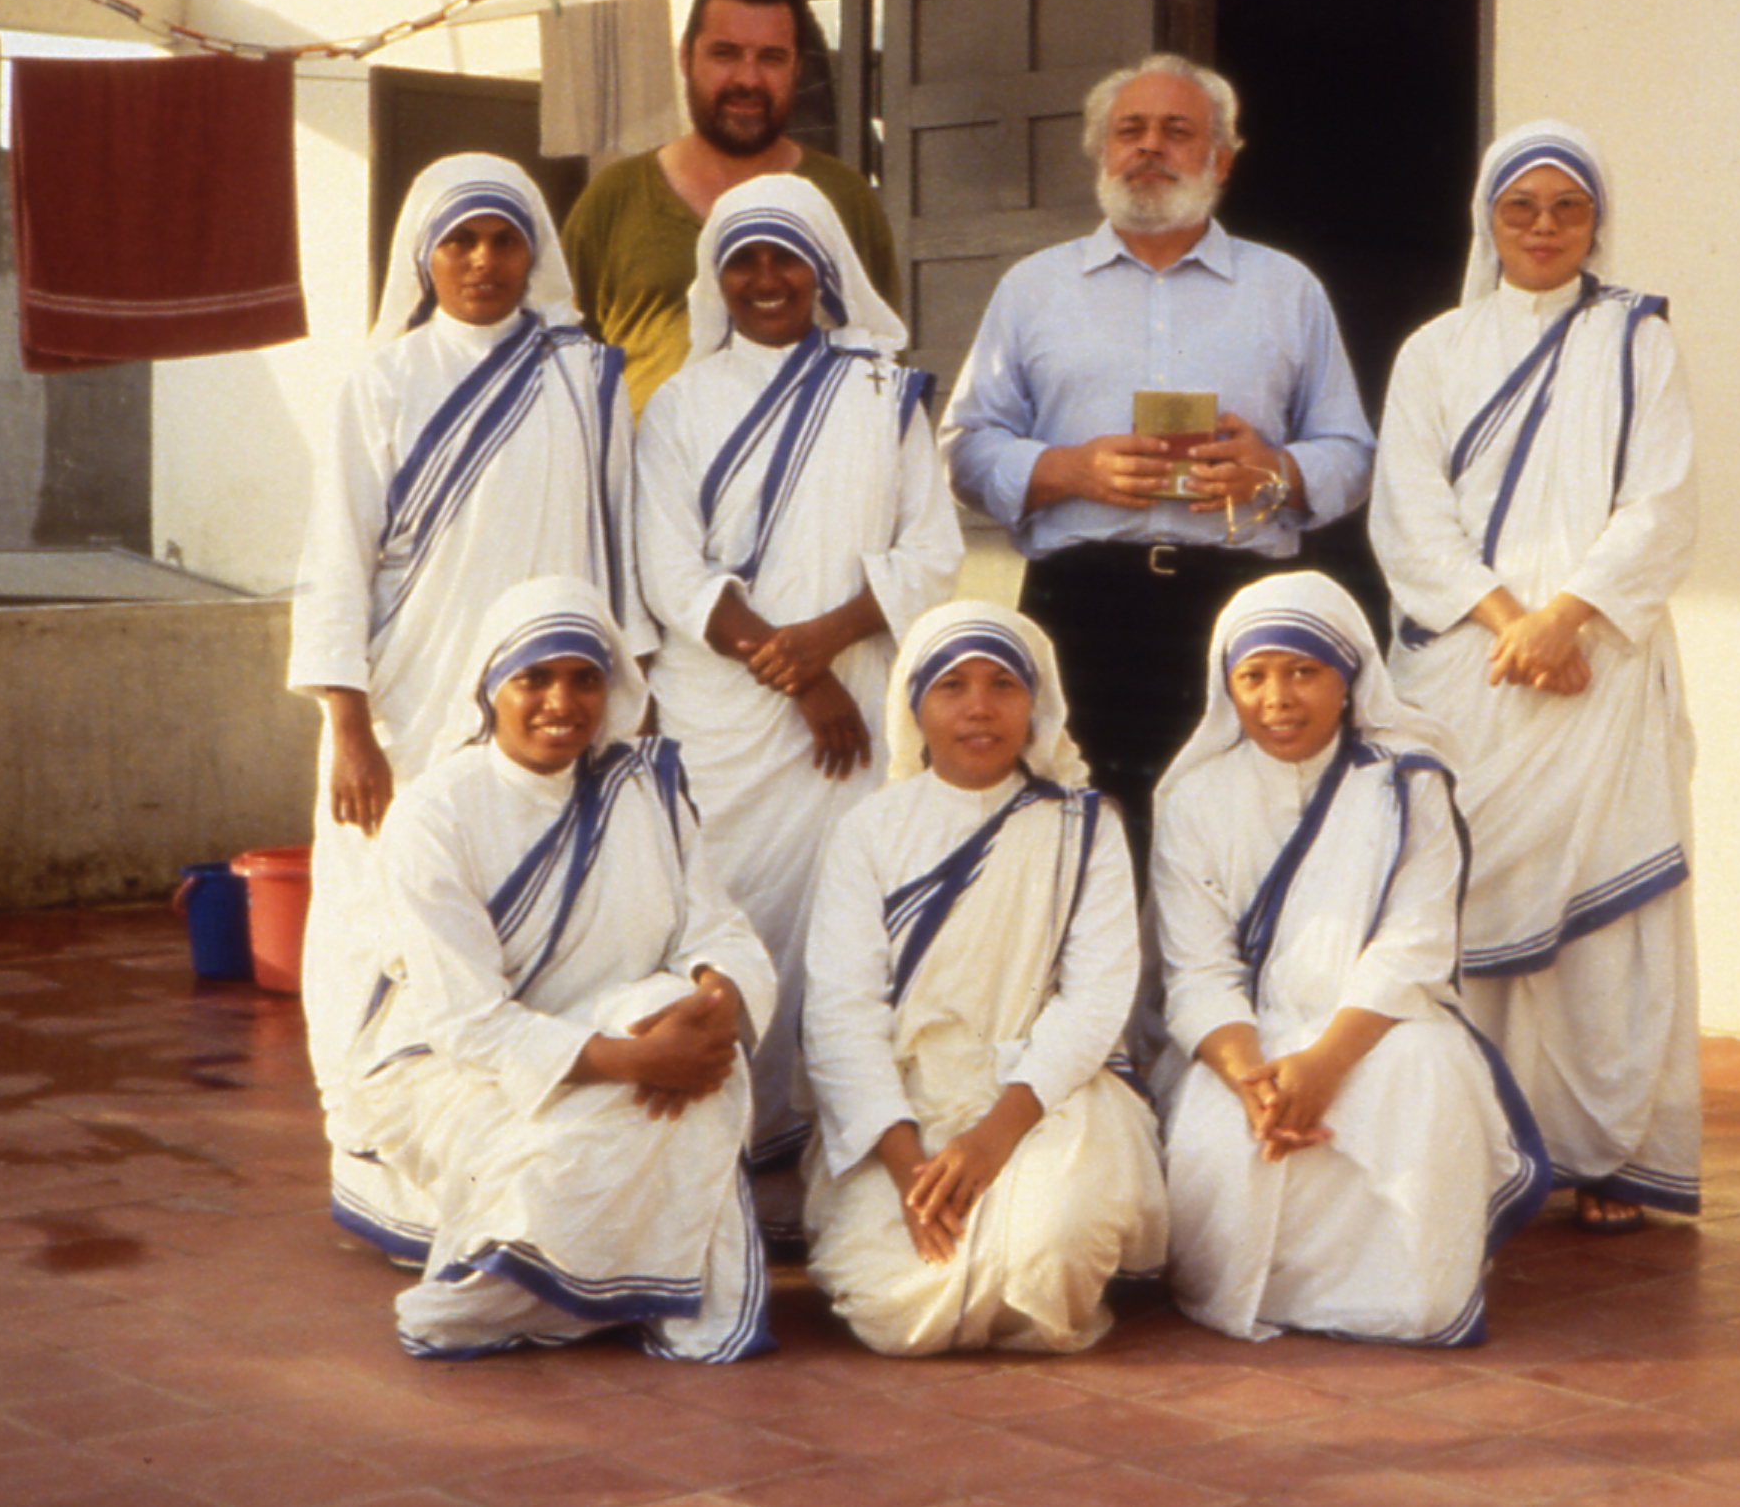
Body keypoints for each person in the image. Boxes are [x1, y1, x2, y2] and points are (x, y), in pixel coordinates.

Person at [286, 151, 649, 1257]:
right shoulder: (382, 382)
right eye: (459, 241)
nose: (483, 260)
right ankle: (384, 1148)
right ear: (424, 256)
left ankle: (512, 1133)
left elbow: (620, 544)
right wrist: (347, 721)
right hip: (406, 703)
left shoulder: (589, 377)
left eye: (502, 238)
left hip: (550, 707)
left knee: (532, 908)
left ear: (534, 249)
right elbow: (337, 561)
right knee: (382, 917)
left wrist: (628, 698)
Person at [1368, 118, 1702, 1231]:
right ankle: (1473, 1138)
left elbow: (1660, 500)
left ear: (1597, 219)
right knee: (1460, 903)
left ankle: (1602, 1153)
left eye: (1568, 207)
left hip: (1598, 668)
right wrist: (1513, 622)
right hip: (1474, 667)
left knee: (1604, 925)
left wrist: (1569, 618)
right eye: (1523, 207)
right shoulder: (1434, 351)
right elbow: (1410, 514)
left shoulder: (1636, 340)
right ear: (1489, 221)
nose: (1546, 227)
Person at [635, 176, 964, 1237]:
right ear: (716, 276)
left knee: (835, 928)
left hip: (852, 714)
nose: (766, 281)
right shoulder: (680, 404)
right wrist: (802, 672)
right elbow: (668, 568)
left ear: (825, 269)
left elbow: (933, 550)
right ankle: (711, 1165)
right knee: (718, 919)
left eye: (786, 259)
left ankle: (818, 1176)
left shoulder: (882, 392)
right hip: (723, 718)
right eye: (745, 261)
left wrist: (828, 643)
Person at [939, 53, 1375, 837]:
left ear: (1221, 160)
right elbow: (964, 448)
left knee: (1239, 838)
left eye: (1176, 131)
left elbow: (1353, 452)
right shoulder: (1033, 289)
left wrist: (1274, 470)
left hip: (1242, 608)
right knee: (1073, 835)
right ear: (1101, 153)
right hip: (1080, 607)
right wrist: (1068, 468)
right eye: (1129, 131)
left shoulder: (1287, 289)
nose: (1149, 147)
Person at [343, 576, 776, 1360]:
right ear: (490, 688)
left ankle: (545, 1287)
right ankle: (515, 1289)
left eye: (584, 678)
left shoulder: (641, 788)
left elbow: (713, 924)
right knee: (617, 1128)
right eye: (532, 678)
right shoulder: (436, 813)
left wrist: (714, 1002)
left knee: (700, 1047)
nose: (561, 702)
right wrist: (639, 1060)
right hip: (448, 1066)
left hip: (616, 1034)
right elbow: (465, 1022)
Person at [1154, 571, 1549, 1344]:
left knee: (1423, 1077)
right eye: (1254, 676)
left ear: (1350, 679)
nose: (1279, 699)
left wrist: (1325, 1065)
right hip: (1246, 1042)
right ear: (1226, 687)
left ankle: (1400, 1304)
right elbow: (1196, 971)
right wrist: (1254, 1082)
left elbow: (1415, 943)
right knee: (1215, 1141)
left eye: (1305, 671)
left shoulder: (1408, 785)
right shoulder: (1194, 801)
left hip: (1380, 1024)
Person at [797, 602, 1168, 1354]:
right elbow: (841, 1012)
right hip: (904, 1107)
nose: (978, 707)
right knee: (895, 1311)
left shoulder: (1085, 827)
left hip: (1043, 1097)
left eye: (1003, 684)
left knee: (1048, 1256)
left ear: (1036, 704)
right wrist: (910, 1169)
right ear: (915, 706)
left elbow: (1096, 996)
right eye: (951, 686)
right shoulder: (869, 831)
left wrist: (993, 1138)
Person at [558, 0, 900, 408]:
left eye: (771, 58)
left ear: (796, 69)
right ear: (685, 57)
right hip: (649, 477)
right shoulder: (613, 199)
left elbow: (881, 368)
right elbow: (563, 373)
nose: (747, 79)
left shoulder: (842, 200)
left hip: (799, 475)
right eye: (725, 54)